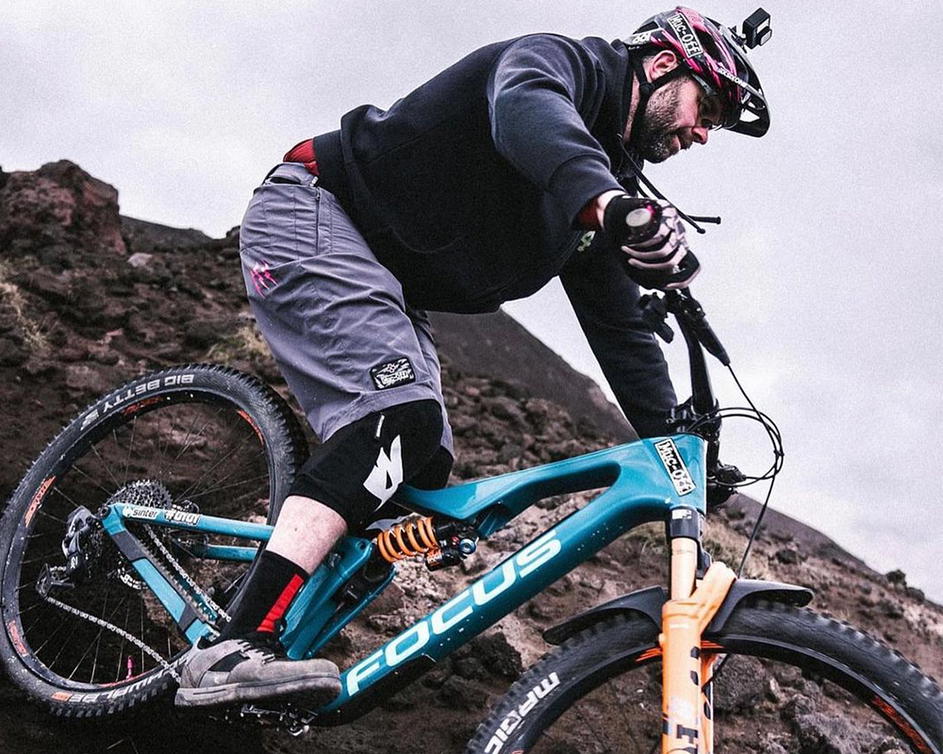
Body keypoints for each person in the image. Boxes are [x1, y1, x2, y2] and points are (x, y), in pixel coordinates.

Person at [175, 6, 771, 707]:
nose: (702, 134)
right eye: (708, 109)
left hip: (386, 278)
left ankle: (258, 605)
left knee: (420, 474)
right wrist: (607, 203)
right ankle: (234, 647)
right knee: (396, 424)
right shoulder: (562, 67)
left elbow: (621, 330)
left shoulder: (600, 190)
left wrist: (676, 440)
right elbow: (526, 110)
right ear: (665, 64)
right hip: (316, 210)